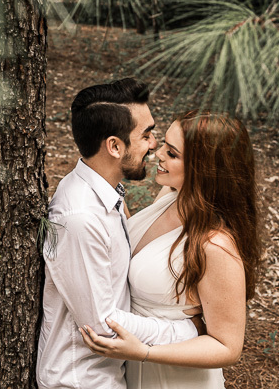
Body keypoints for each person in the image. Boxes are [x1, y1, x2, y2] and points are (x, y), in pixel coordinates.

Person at [80, 110, 263, 389]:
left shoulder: (216, 246)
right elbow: (140, 250)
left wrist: (144, 353)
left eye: (173, 153)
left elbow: (227, 346)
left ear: (205, 168)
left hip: (174, 376)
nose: (157, 153)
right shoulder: (170, 196)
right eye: (163, 143)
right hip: (126, 365)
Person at [37, 79, 199, 389]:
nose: (154, 146)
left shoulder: (107, 194)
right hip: (81, 381)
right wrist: (186, 331)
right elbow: (103, 324)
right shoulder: (80, 218)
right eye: (146, 135)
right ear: (114, 146)